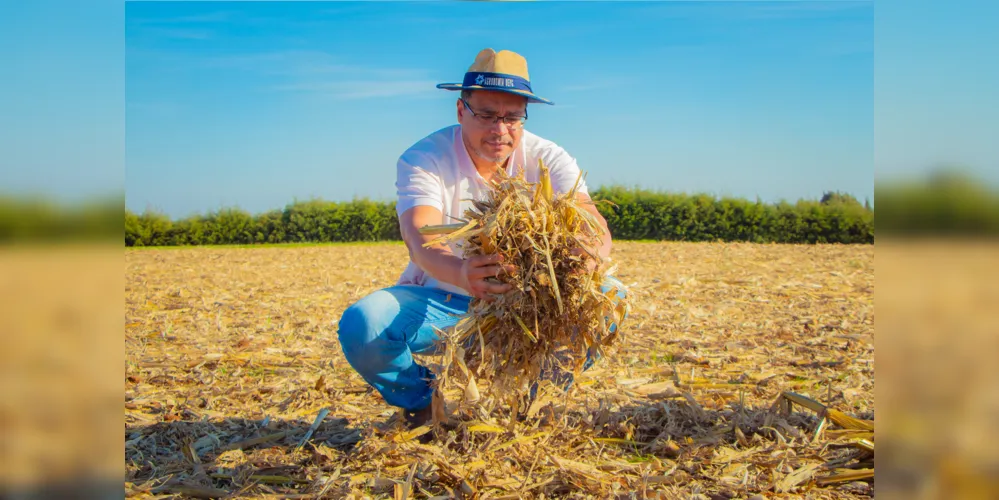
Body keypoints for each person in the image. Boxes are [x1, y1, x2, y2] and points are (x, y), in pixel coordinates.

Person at [336, 48, 626, 428]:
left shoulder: (548, 157)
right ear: (460, 111)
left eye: (512, 117)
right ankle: (424, 404)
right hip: (446, 302)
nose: (500, 130)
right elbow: (419, 233)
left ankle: (538, 405)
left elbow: (591, 219)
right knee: (365, 324)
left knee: (609, 297)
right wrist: (462, 272)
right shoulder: (425, 158)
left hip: (530, 308)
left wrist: (588, 255)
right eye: (487, 115)